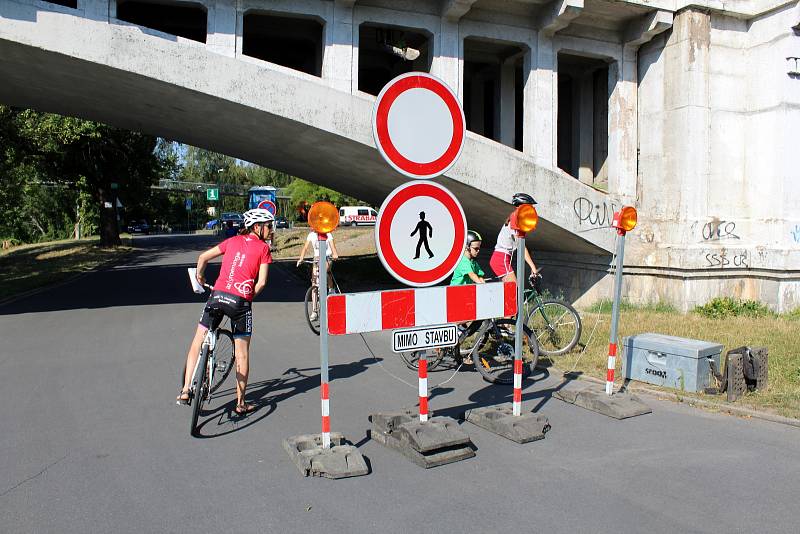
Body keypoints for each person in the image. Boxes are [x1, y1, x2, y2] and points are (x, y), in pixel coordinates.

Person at [177, 208, 274, 416]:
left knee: (197, 341)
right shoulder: (264, 248)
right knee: (242, 354)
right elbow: (263, 282)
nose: (271, 230)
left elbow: (203, 257)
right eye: (268, 226)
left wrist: (201, 278)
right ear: (257, 227)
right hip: (240, 303)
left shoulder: (231, 241)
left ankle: (186, 390)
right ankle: (240, 403)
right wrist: (247, 299)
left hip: (218, 296)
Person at [489, 192, 539, 283]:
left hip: (501, 258)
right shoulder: (516, 218)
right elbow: (521, 246)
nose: (532, 209)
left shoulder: (517, 218)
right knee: (514, 291)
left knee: (508, 292)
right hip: (501, 258)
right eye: (529, 206)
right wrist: (533, 267)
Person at [296, 227, 339, 321]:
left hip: (327, 257)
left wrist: (335, 254)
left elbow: (333, 247)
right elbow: (305, 247)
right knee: (314, 282)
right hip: (316, 258)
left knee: (325, 271)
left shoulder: (328, 234)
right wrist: (301, 258)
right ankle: (314, 311)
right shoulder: (311, 235)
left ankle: (331, 288)